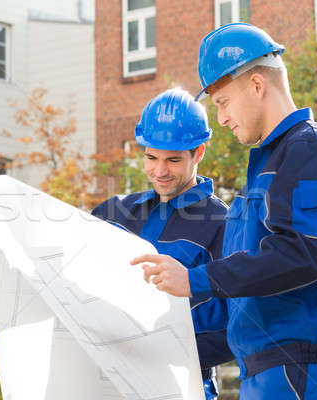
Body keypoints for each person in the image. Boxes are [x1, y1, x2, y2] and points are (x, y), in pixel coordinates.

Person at [131, 23, 317, 399]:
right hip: (269, 369)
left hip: (299, 366)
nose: (222, 118)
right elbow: (245, 286)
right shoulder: (270, 167)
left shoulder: (311, 149)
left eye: (223, 103)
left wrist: (195, 279)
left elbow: (301, 254)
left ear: (257, 86)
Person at [92, 88, 234, 400]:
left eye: (172, 160)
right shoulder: (115, 214)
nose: (160, 171)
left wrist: (159, 345)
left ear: (199, 153)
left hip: (183, 387)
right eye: (151, 158)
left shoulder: (222, 224)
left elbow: (235, 326)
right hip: (112, 386)